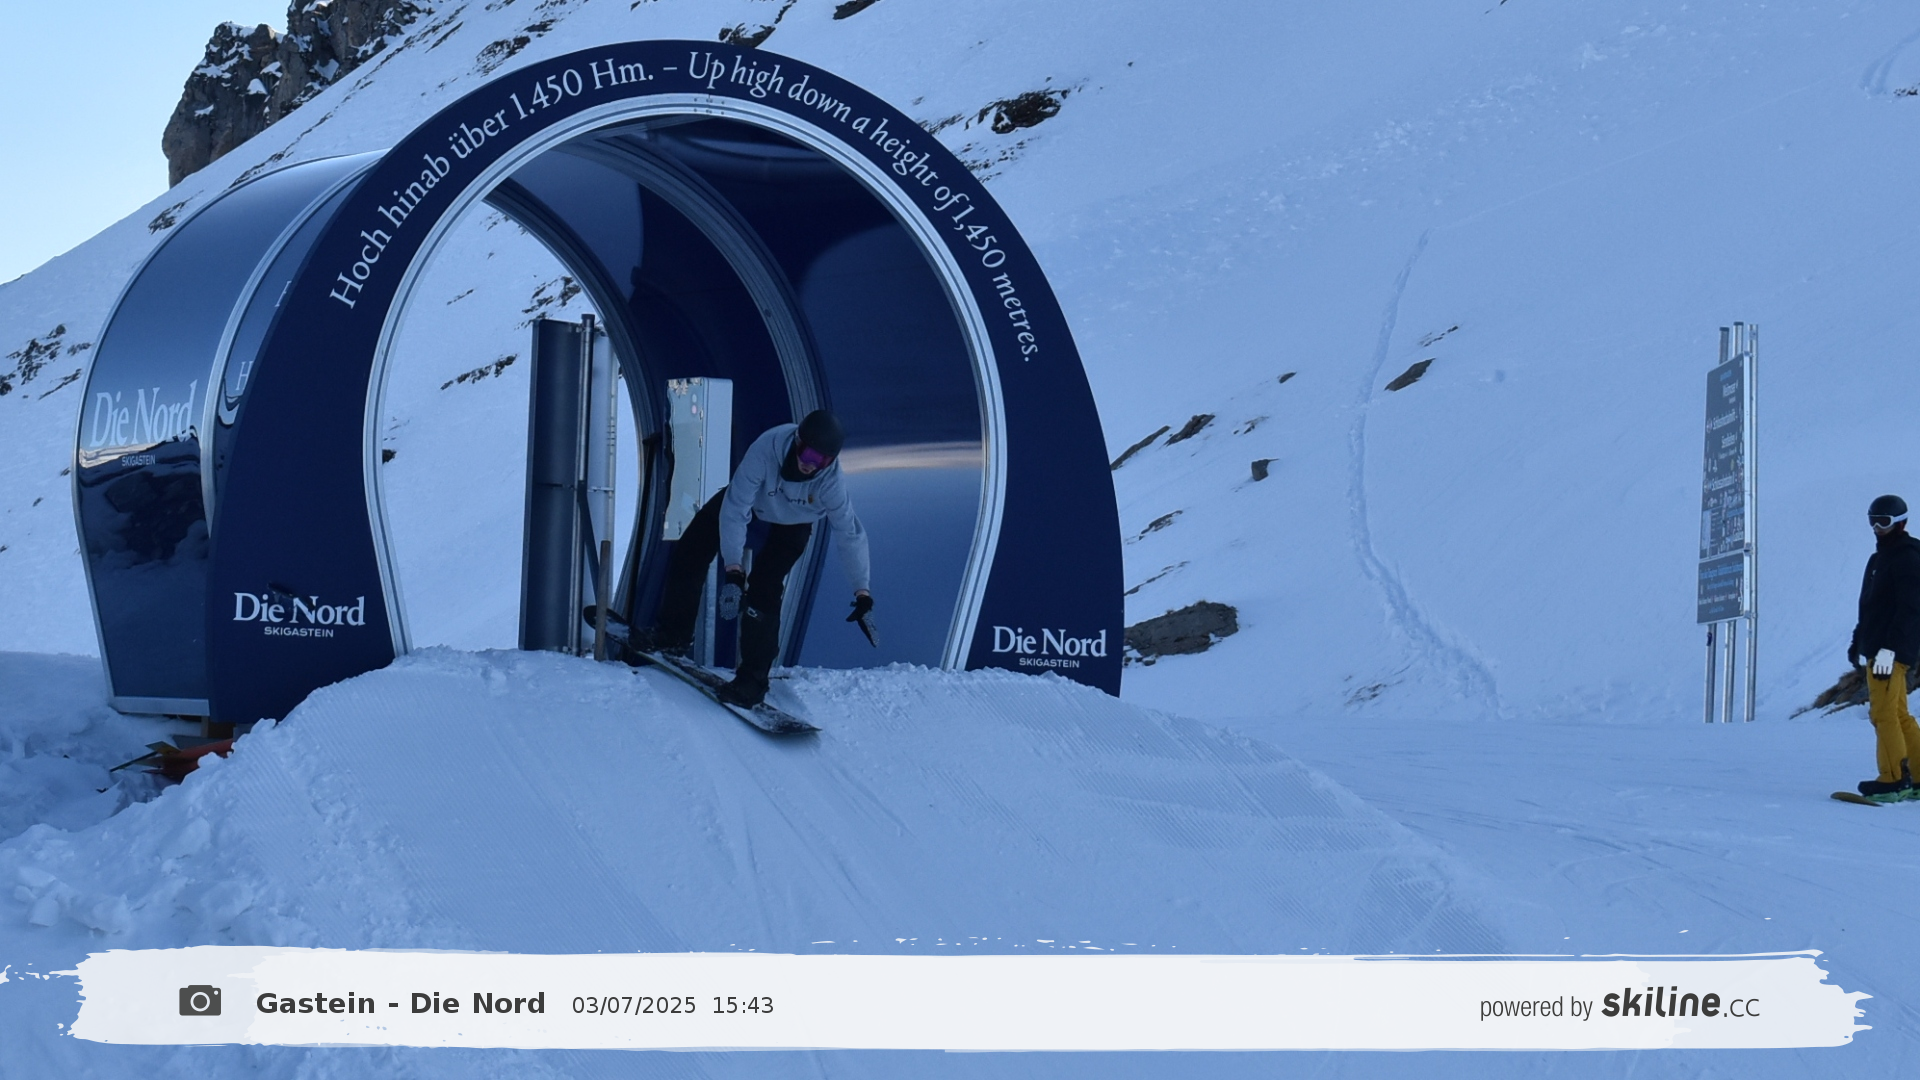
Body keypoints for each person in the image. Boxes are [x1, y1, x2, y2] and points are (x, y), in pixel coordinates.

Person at [637, 409, 873, 707]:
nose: (811, 465)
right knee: (692, 548)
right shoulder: (767, 447)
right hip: (754, 500)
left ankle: (753, 680)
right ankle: (672, 635)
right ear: (797, 441)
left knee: (765, 588)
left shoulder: (831, 482)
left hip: (796, 522)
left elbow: (849, 533)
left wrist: (862, 591)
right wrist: (734, 569)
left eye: (822, 461)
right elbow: (736, 508)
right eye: (809, 454)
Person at [1848, 494, 1920, 798]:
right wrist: (1858, 641)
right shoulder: (1878, 560)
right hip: (1878, 648)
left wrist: (1890, 650)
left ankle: (1892, 778)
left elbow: (1910, 609)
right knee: (1899, 713)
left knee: (1882, 714)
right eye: (1873, 521)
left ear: (1900, 523)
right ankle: (1917, 776)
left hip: (1890, 652)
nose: (1877, 528)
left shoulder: (1908, 558)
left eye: (1884, 521)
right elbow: (1870, 608)